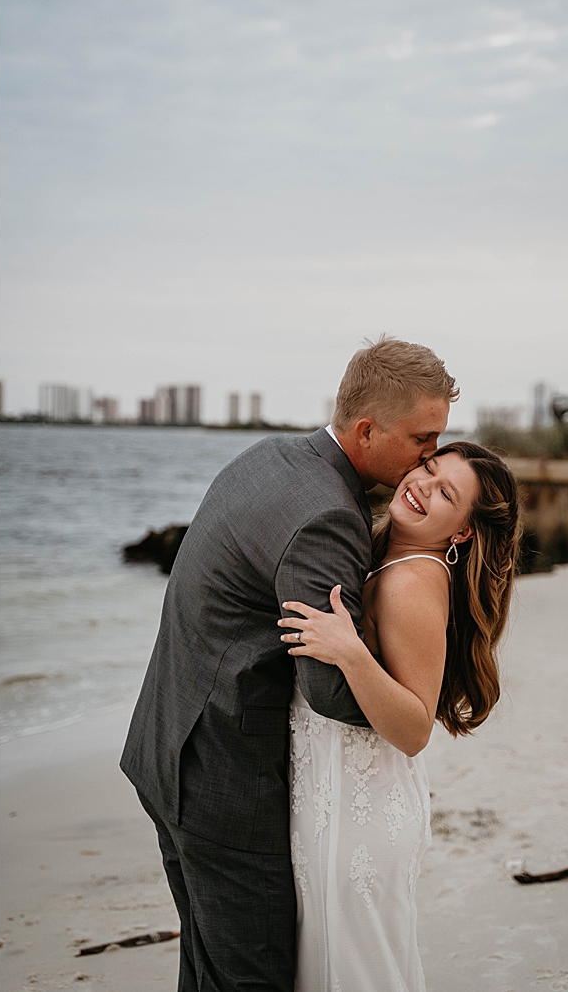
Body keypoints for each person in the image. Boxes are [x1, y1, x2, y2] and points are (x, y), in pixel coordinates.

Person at [120, 335, 459, 991]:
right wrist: (403, 690)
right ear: (368, 429)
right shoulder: (329, 517)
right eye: (423, 438)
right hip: (222, 780)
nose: (432, 454)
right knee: (252, 976)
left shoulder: (270, 456)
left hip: (166, 746)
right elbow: (331, 690)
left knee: (208, 967)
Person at [279, 439, 520, 991]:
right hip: (337, 798)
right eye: (428, 469)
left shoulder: (411, 581)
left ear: (461, 531)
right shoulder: (390, 554)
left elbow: (414, 729)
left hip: (358, 812)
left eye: (445, 493)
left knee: (356, 975)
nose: (422, 487)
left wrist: (349, 650)